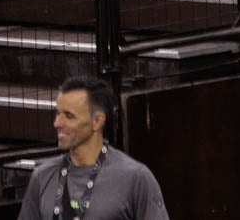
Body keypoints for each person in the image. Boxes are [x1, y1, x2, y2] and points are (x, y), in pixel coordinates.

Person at [16, 77, 169, 220]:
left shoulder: (135, 178)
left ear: (97, 121)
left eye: (69, 116)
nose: (57, 123)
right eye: (58, 113)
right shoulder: (42, 177)